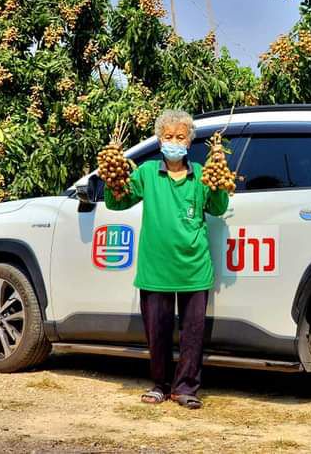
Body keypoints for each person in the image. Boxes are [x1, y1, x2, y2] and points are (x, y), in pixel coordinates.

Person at [103, 109, 229, 409]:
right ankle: (159, 384)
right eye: (168, 136)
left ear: (189, 142)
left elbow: (218, 207)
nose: (174, 141)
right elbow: (117, 202)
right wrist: (113, 176)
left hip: (193, 267)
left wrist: (219, 172)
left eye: (180, 137)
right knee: (157, 333)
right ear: (160, 141)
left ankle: (185, 388)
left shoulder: (201, 174)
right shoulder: (147, 172)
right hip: (155, 268)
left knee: (192, 335)